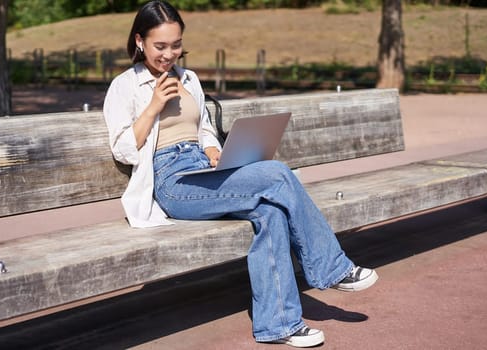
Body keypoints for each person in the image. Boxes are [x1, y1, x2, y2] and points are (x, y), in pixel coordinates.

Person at [102, 1, 378, 347]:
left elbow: (202, 129)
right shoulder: (125, 86)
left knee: (271, 211)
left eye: (176, 45)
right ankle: (332, 269)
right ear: (139, 41)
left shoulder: (188, 79)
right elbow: (123, 148)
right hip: (173, 184)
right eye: (160, 46)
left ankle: (280, 325)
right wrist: (154, 105)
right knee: (276, 174)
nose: (169, 54)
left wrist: (214, 150)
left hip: (203, 172)